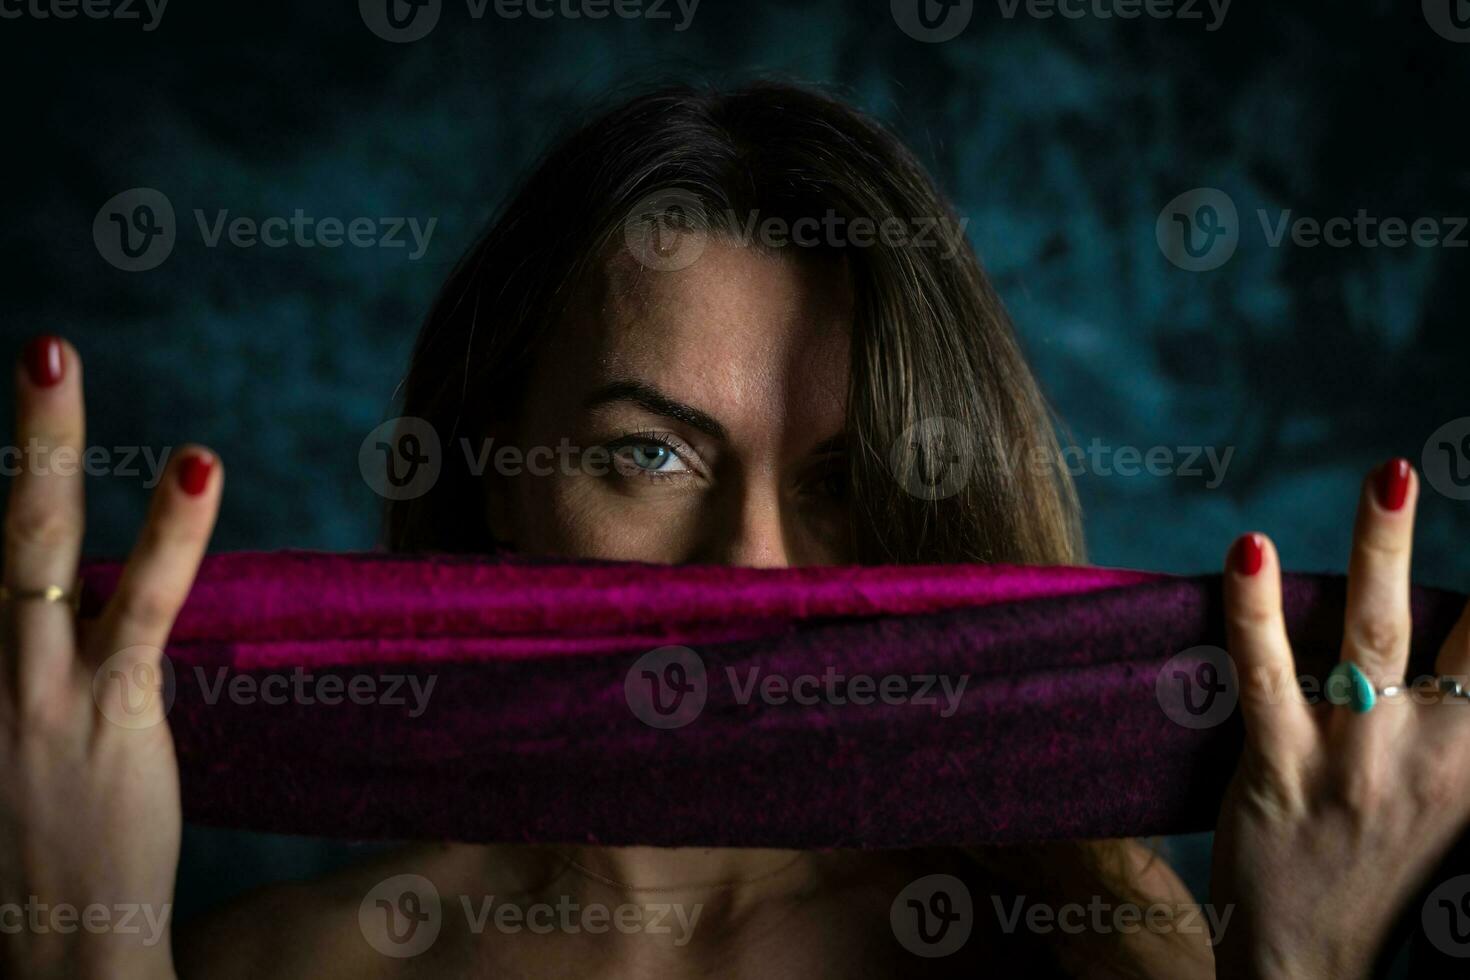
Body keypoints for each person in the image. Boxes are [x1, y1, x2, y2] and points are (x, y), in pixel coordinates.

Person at [4, 81, 1467, 979]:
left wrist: (1304, 957)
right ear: (487, 474)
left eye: (842, 479)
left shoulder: (1080, 949)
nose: (753, 568)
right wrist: (79, 951)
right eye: (645, 451)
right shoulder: (278, 963)